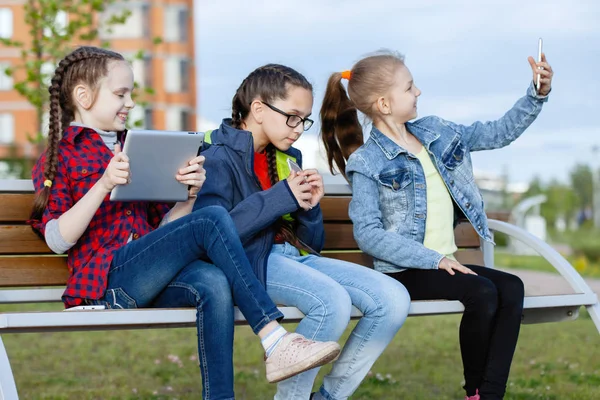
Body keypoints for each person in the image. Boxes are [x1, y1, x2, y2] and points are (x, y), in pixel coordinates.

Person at [28, 46, 340, 400]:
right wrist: (104, 184)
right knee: (212, 218)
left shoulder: (137, 148)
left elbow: (161, 234)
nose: (129, 102)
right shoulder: (62, 155)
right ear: (83, 96)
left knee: (213, 279)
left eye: (131, 93)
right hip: (107, 280)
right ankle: (273, 337)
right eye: (120, 93)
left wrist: (188, 196)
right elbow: (57, 239)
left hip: (148, 274)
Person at [320, 49, 553, 400]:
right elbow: (367, 234)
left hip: (446, 265)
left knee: (512, 288)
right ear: (384, 103)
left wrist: (537, 94)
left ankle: (489, 394)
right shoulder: (366, 162)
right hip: (404, 270)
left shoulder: (437, 132)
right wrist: (434, 260)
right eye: (410, 87)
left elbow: (498, 133)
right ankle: (476, 391)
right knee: (483, 292)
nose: (418, 93)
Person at [194, 63, 411, 400]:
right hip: (249, 263)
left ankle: (327, 397)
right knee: (331, 302)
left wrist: (309, 209)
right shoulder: (215, 156)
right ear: (259, 109)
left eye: (304, 119)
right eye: (292, 116)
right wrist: (283, 196)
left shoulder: (287, 158)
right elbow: (214, 235)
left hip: (291, 258)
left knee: (394, 299)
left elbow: (311, 246)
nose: (298, 129)